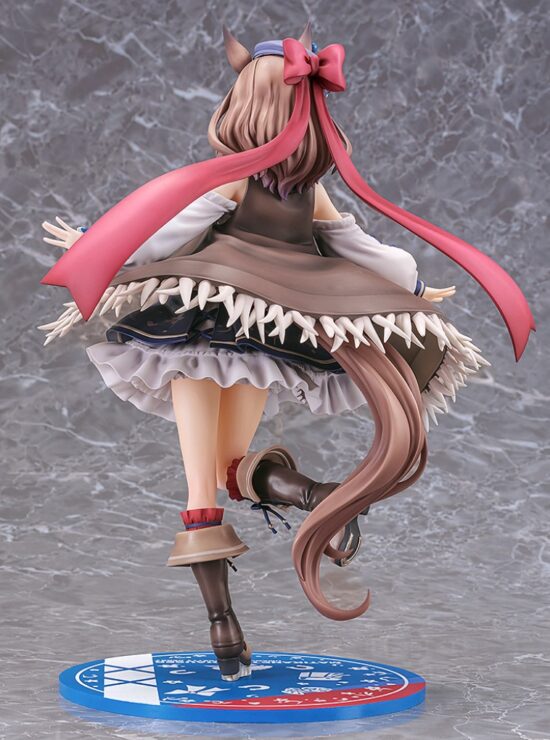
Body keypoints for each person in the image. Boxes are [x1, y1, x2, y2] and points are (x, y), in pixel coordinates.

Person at [39, 24, 534, 681]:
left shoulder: (235, 183)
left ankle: (224, 626)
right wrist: (410, 281)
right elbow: (363, 247)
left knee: (205, 487)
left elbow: (166, 234)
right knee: (229, 470)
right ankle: (316, 496)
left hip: (202, 332)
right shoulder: (305, 189)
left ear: (247, 104)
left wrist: (99, 247)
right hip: (262, 336)